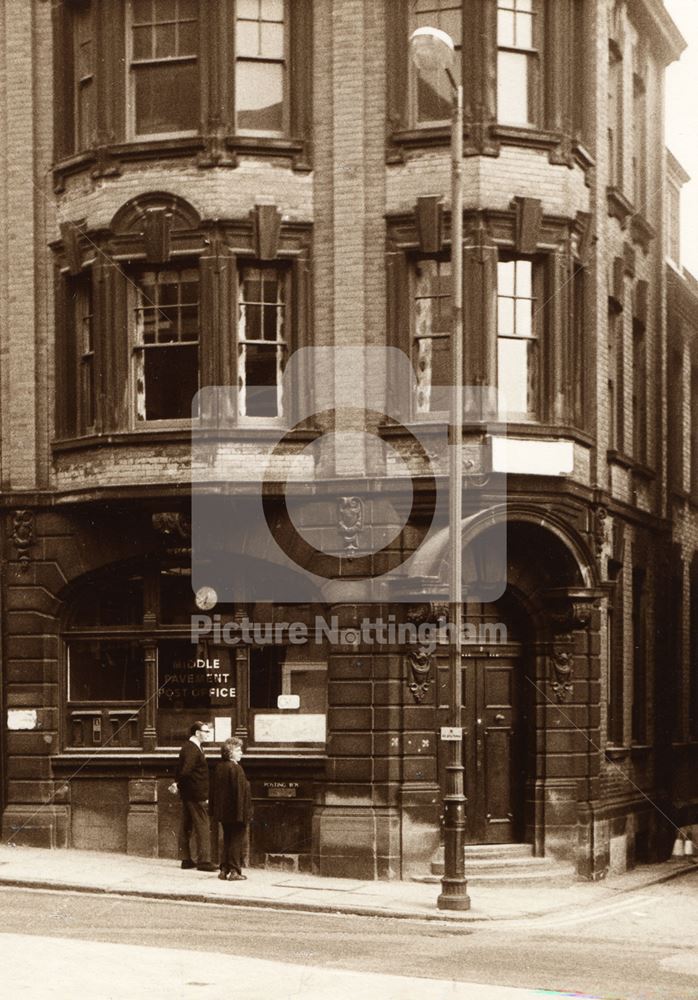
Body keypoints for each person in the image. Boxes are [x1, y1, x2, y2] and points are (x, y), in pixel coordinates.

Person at [174, 721, 217, 872]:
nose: (207, 734)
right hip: (196, 794)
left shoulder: (188, 747)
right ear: (198, 733)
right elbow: (186, 771)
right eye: (206, 732)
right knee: (203, 825)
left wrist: (177, 784)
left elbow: (180, 770)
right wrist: (179, 783)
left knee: (186, 825)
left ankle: (186, 859)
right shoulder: (193, 748)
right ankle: (204, 861)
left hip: (188, 793)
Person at [210, 737, 252, 881]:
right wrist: (242, 814)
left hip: (224, 812)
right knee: (236, 840)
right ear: (230, 753)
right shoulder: (236, 768)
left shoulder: (220, 767)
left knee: (227, 839)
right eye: (238, 750)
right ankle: (235, 871)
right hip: (236, 812)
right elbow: (239, 793)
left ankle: (224, 870)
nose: (241, 753)